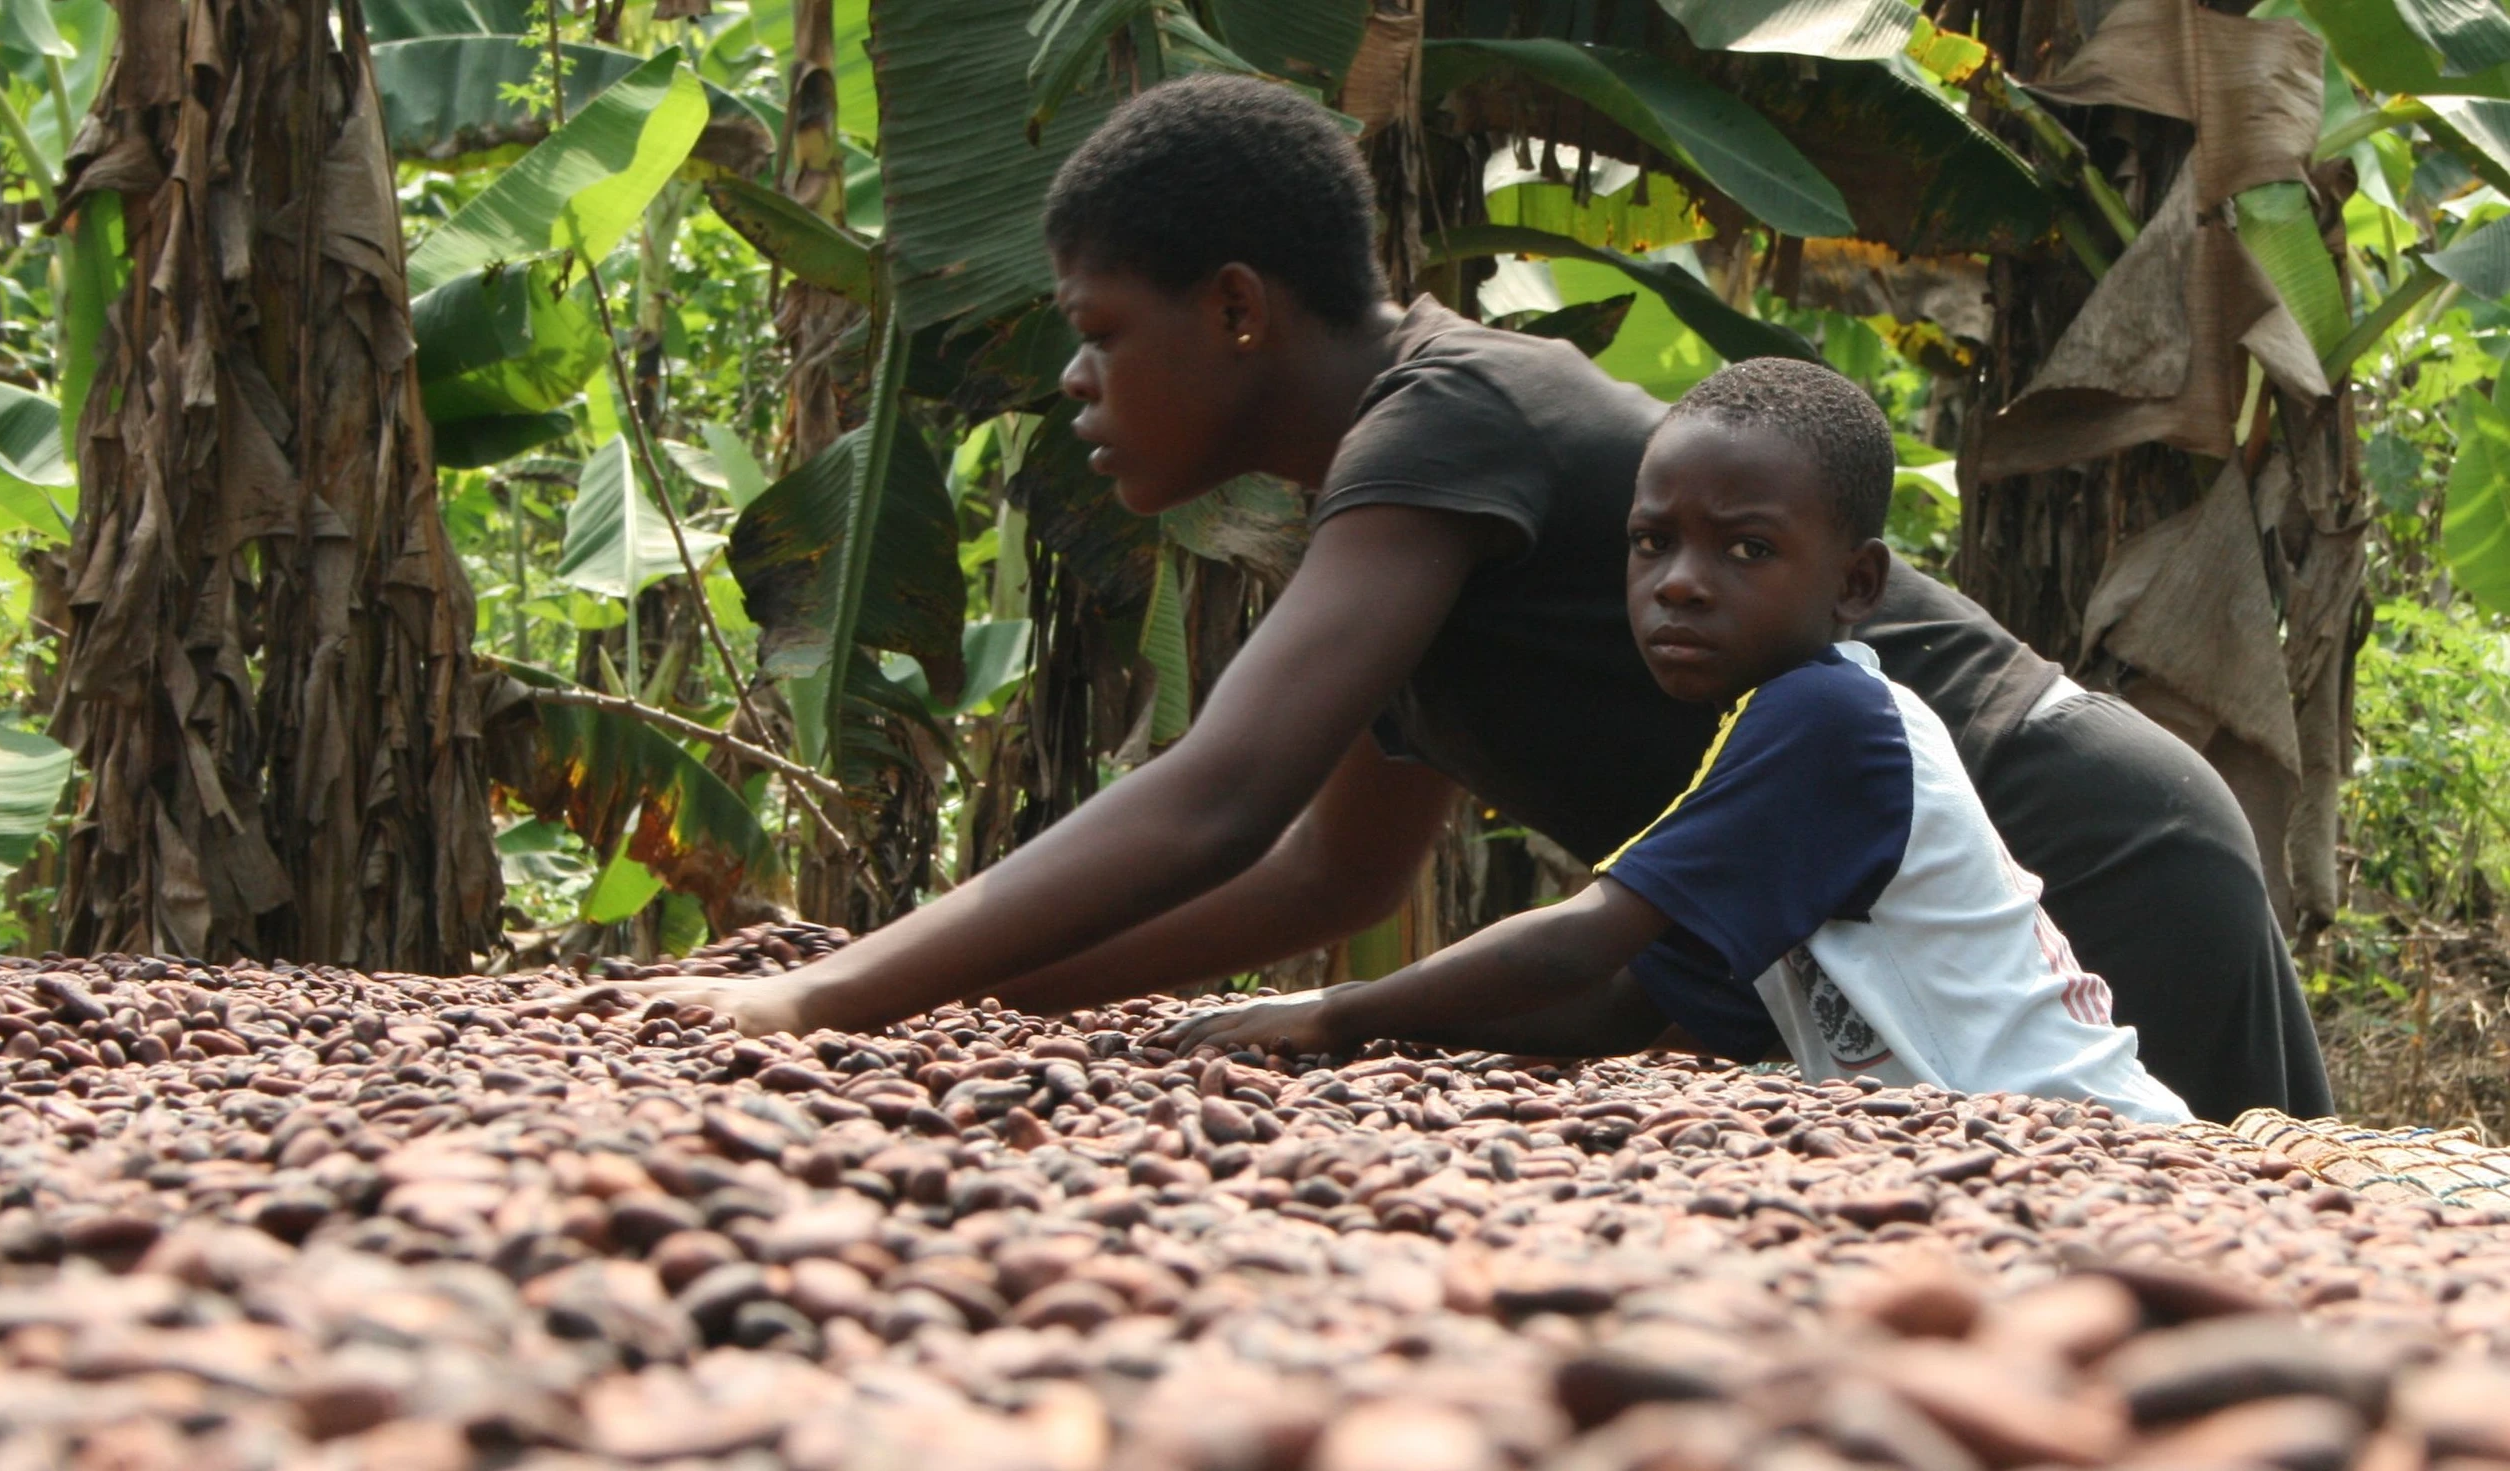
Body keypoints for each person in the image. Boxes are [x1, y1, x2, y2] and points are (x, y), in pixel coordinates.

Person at [578, 74, 2325, 1122]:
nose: (1078, 386)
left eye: (1104, 334)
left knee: (2250, 1326)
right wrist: (969, 993)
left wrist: (829, 1000)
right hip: (1898, 927)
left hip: (2073, 836)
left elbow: (1219, 797)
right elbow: (1333, 871)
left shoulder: (1443, 425)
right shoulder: (1394, 509)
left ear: (1242, 310)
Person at [1162, 359, 2192, 1123]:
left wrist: (1342, 1012)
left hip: (2094, 1136)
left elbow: (1587, 938)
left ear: (1856, 586)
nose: (1681, 581)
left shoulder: (1827, 719)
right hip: (2017, 1145)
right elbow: (1616, 1006)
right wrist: (1394, 1034)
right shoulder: (1779, 727)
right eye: (1651, 542)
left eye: (1747, 548)